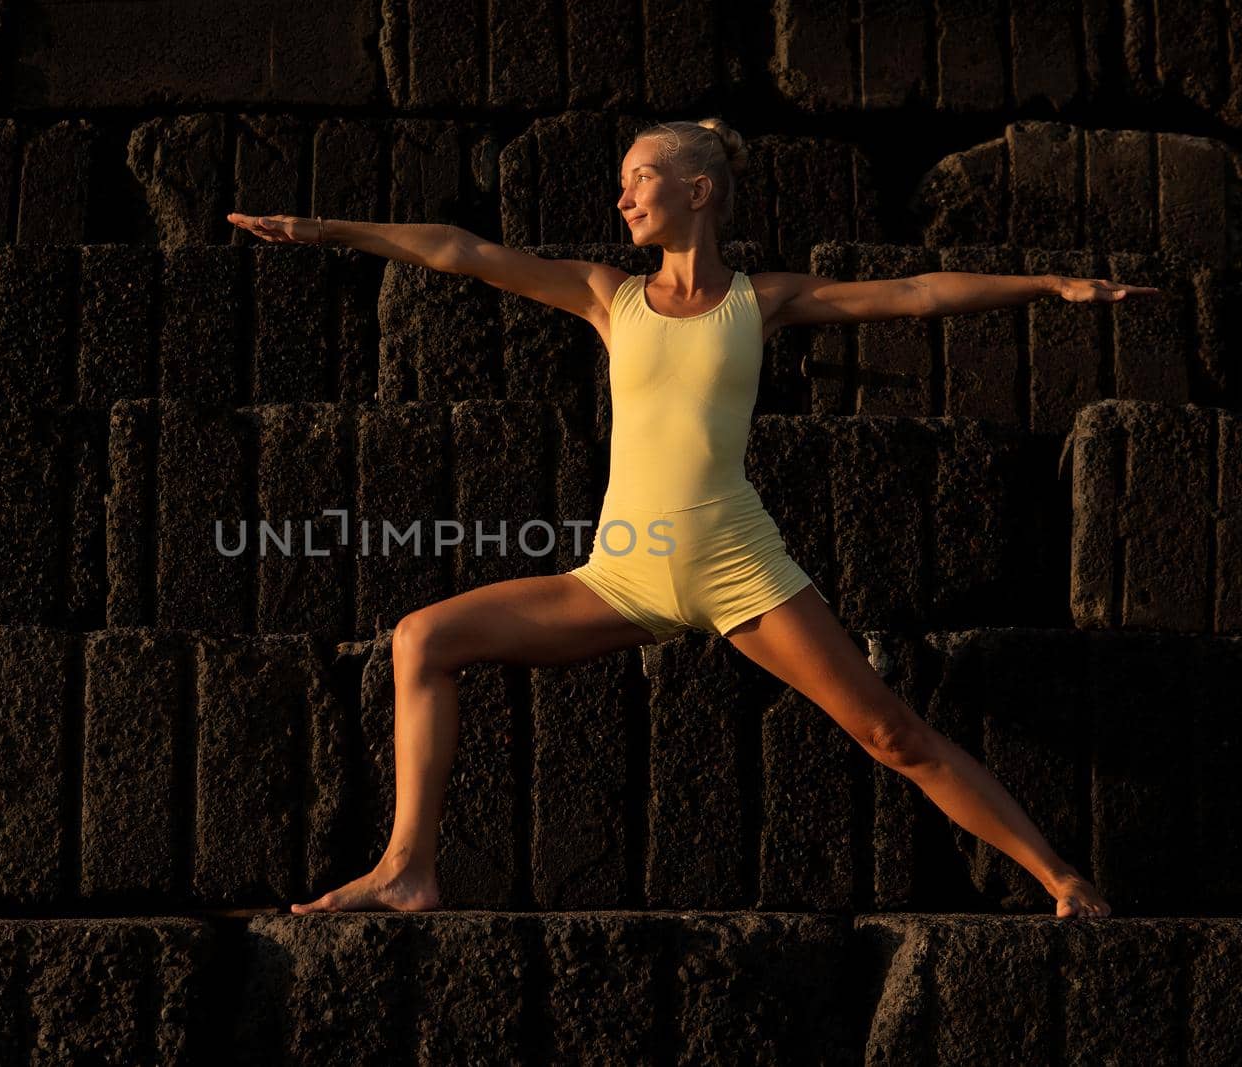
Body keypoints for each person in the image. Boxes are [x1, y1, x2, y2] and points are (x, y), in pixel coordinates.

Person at [228, 118, 1157, 919]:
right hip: (622, 573)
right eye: (625, 180)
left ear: (698, 189)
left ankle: (1059, 874)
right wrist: (324, 229)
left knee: (891, 735)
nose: (623, 194)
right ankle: (407, 867)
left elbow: (916, 294)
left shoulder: (764, 300)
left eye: (639, 176)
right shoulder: (608, 296)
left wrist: (1045, 286)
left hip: (739, 569)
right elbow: (457, 249)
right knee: (422, 637)